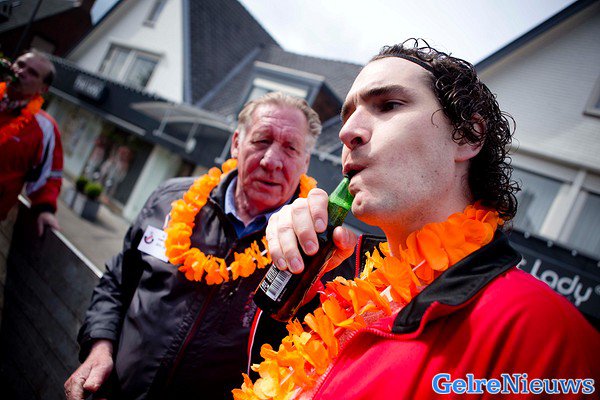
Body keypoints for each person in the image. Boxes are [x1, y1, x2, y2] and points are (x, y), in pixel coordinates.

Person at [241, 40, 600, 399]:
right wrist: (296, 304)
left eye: (388, 105)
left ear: (468, 136)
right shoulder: (341, 285)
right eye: (348, 114)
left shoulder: (539, 328)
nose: (347, 132)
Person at [65, 92, 328, 399]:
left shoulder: (313, 247)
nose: (271, 161)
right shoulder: (169, 199)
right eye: (261, 140)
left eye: (290, 148)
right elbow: (118, 280)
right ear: (236, 143)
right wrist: (100, 347)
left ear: (305, 162)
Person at [0, 50, 63, 236]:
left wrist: (45, 210)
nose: (21, 72)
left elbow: (49, 177)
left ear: (43, 89)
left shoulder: (45, 128)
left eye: (32, 73)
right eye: (20, 64)